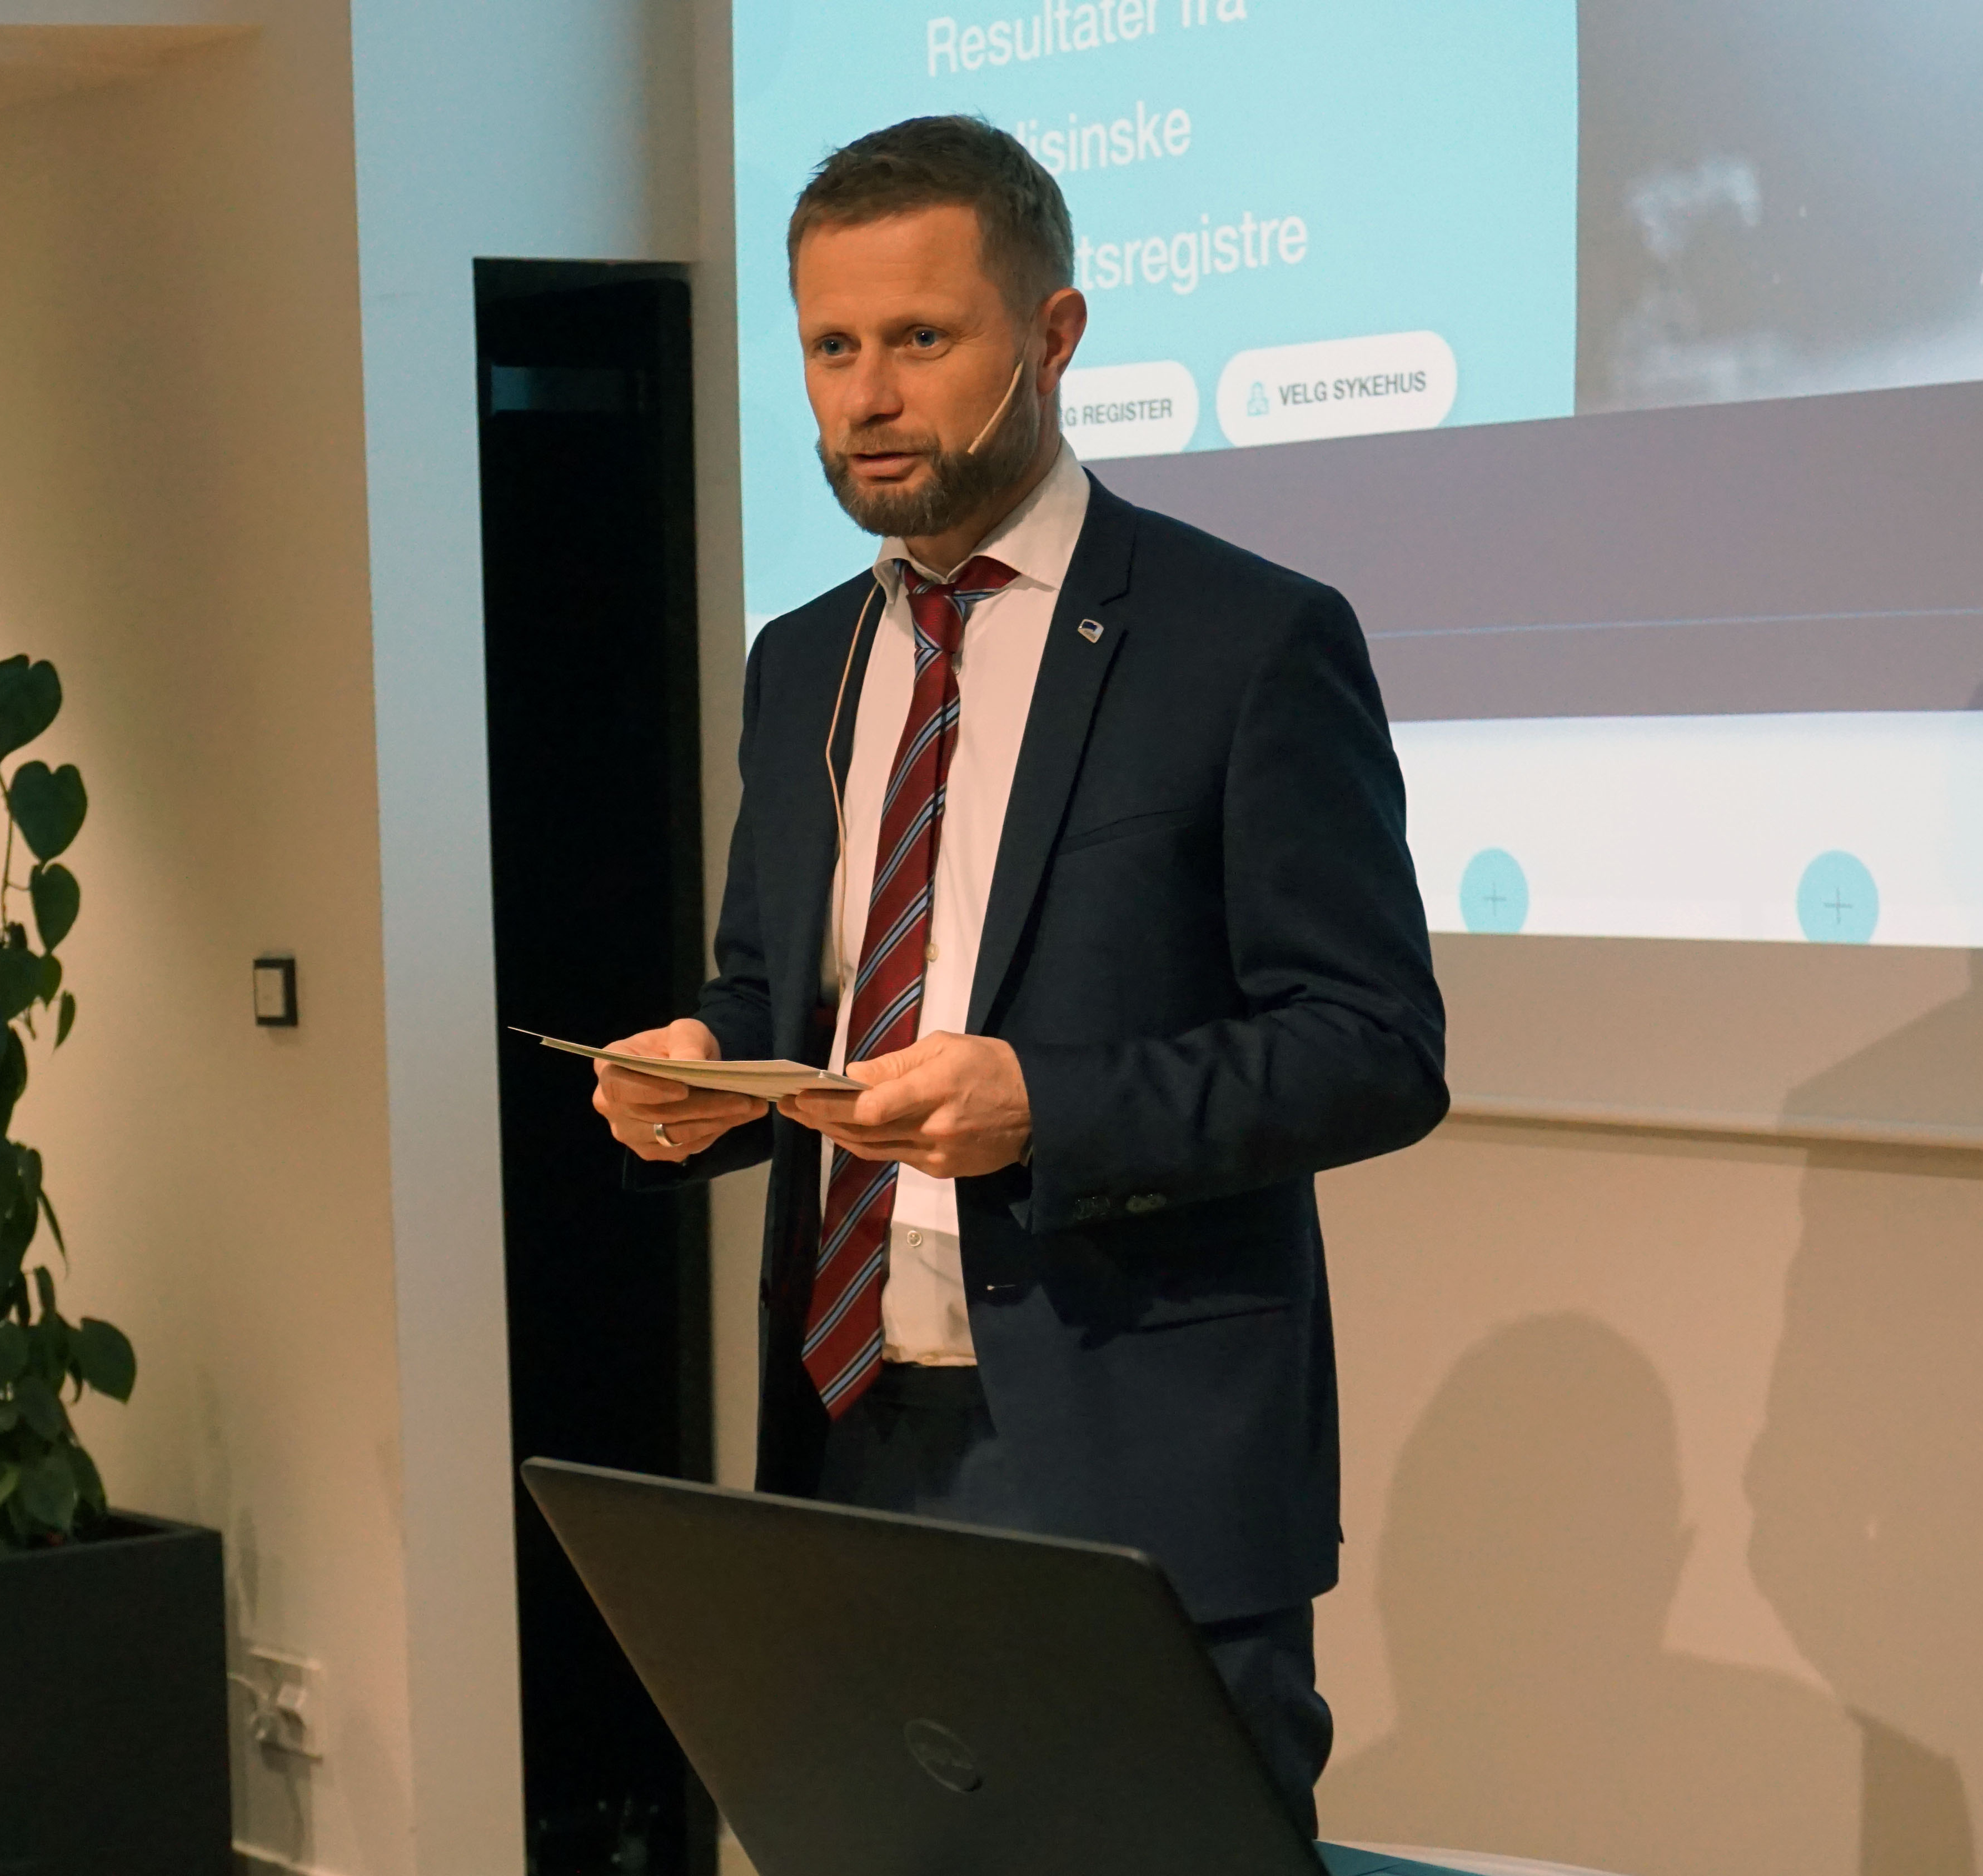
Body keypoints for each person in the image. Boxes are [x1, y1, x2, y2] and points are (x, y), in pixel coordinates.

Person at [589, 115, 1446, 1834]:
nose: (869, 394)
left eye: (921, 338)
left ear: (1052, 337)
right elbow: (784, 1002)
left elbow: (1372, 1048)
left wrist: (1047, 1107)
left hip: (1134, 1453)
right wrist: (708, 1072)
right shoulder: (800, 662)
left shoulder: (1249, 641)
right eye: (834, 346)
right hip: (853, 1436)